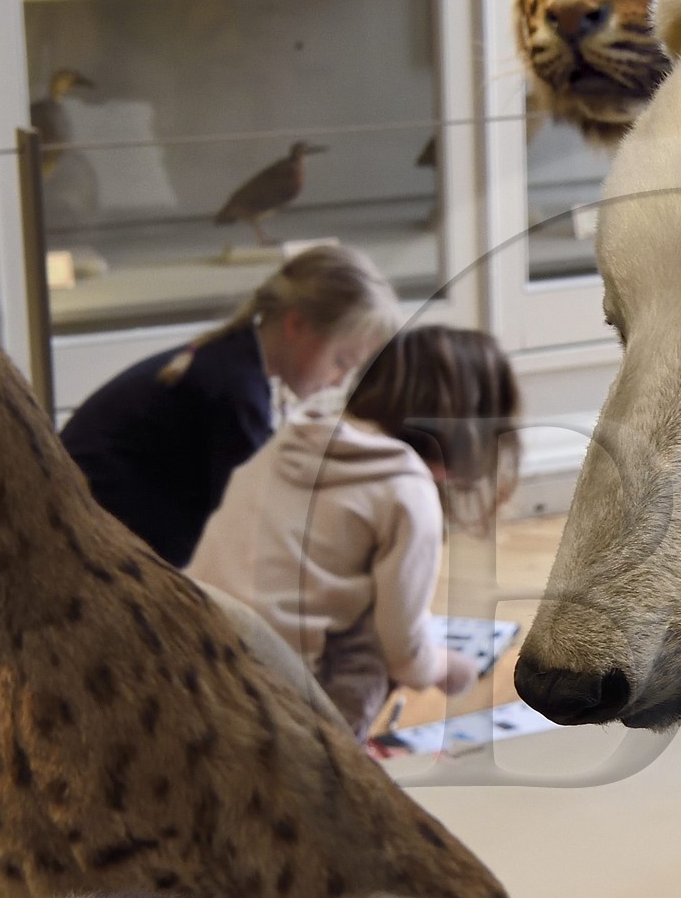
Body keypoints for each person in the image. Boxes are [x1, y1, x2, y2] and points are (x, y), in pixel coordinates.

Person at [190, 324, 521, 739]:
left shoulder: (290, 441)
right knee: (372, 637)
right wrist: (449, 668)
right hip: (276, 705)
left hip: (193, 659)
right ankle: (336, 756)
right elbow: (404, 654)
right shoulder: (407, 489)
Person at [61, 246, 398, 567]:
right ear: (296, 325)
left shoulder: (230, 363)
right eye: (341, 361)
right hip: (88, 549)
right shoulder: (235, 394)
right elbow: (260, 526)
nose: (339, 382)